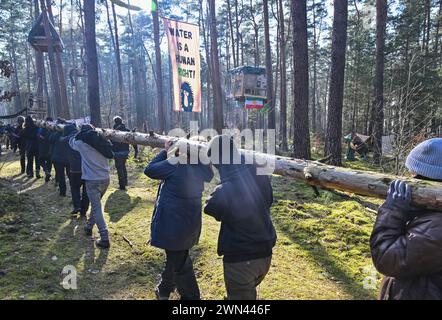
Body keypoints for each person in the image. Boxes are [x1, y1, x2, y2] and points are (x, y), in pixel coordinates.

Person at [204, 135, 276, 300]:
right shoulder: (259, 174)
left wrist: (221, 186)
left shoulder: (226, 190)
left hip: (241, 261)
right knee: (245, 292)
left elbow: (210, 207)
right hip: (265, 253)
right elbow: (269, 200)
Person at [370, 138, 442, 300]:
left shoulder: (437, 227)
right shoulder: (433, 214)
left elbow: (386, 258)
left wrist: (394, 211)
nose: (410, 177)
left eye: (413, 174)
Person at [144, 137, 213, 300]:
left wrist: (164, 151)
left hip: (172, 226)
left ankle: (191, 298)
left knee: (181, 263)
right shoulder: (201, 168)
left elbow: (149, 170)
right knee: (175, 256)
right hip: (189, 225)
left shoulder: (176, 164)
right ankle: (165, 288)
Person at [69, 124, 114, 249]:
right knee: (96, 206)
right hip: (105, 178)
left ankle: (104, 237)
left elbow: (71, 142)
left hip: (92, 180)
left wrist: (74, 132)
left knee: (96, 208)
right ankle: (89, 227)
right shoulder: (102, 141)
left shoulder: (81, 143)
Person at [61, 123, 89, 217]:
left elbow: (62, 139)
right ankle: (83, 209)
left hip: (74, 169)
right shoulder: (82, 137)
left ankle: (77, 206)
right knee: (86, 190)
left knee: (75, 188)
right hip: (86, 168)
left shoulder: (66, 140)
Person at [49, 119, 70, 196]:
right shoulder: (69, 133)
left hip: (58, 158)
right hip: (67, 158)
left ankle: (62, 192)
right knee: (69, 175)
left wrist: (55, 131)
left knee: (61, 175)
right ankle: (73, 191)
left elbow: (50, 139)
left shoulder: (56, 134)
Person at [112, 116, 130, 190]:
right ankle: (125, 182)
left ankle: (122, 186)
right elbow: (133, 140)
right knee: (123, 166)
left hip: (117, 152)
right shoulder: (127, 130)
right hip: (125, 151)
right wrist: (136, 151)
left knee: (119, 168)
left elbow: (111, 142)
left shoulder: (113, 131)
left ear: (115, 122)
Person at [37, 117, 54, 182]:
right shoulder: (52, 130)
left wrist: (41, 137)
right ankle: (48, 173)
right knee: (49, 162)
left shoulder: (41, 129)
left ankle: (46, 171)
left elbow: (38, 136)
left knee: (41, 161)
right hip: (49, 149)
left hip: (42, 148)